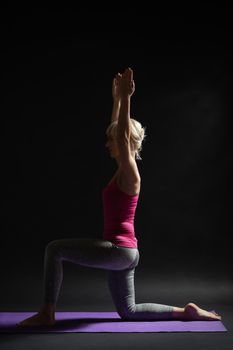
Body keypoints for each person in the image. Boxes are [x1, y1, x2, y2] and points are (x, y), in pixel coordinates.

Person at [17, 68, 221, 327]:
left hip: (119, 251)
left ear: (126, 142)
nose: (107, 144)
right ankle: (186, 312)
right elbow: (118, 132)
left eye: (112, 140)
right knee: (129, 311)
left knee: (54, 249)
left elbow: (122, 137)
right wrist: (116, 101)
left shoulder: (130, 171)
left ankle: (47, 312)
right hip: (127, 252)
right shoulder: (122, 171)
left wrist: (127, 99)